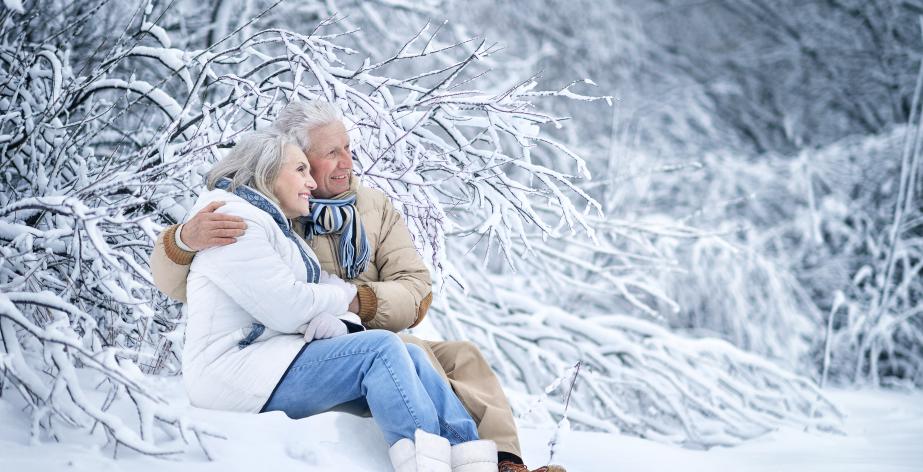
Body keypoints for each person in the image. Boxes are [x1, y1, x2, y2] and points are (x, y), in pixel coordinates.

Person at [150, 101, 566, 472]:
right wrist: (182, 240)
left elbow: (417, 290)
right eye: (331, 153)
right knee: (399, 350)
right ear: (293, 160)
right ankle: (438, 462)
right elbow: (189, 286)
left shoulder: (371, 207)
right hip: (307, 341)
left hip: (357, 324)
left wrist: (361, 303)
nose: (347, 162)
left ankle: (503, 463)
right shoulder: (272, 213)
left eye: (348, 148)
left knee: (462, 357)